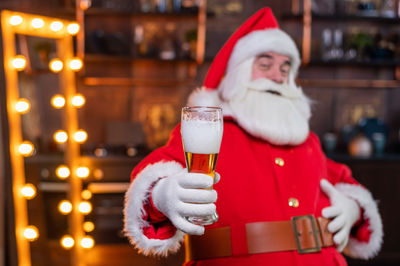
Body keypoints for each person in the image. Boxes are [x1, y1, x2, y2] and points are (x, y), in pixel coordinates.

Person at [123, 7, 383, 266]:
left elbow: (346, 184)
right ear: (239, 73)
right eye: (265, 64)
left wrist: (353, 209)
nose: (277, 76)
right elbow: (154, 176)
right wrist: (162, 195)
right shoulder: (210, 131)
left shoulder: (307, 141)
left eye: (285, 69)